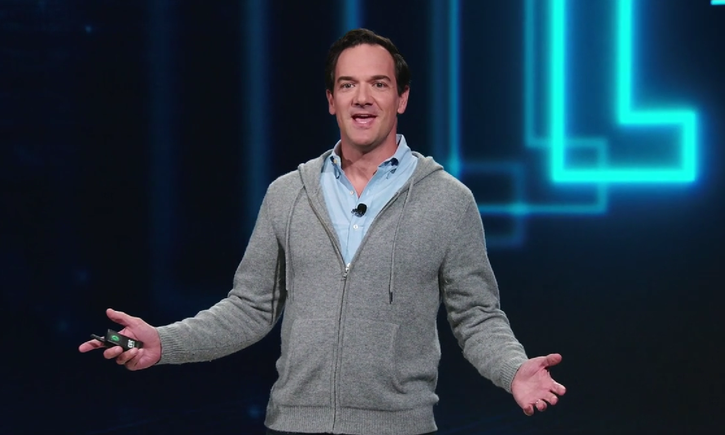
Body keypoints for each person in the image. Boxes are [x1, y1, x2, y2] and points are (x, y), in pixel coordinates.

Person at [79, 28, 566, 435]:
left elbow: (476, 315)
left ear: (402, 97)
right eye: (347, 84)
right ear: (332, 100)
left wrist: (513, 369)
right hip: (293, 424)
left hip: (399, 427)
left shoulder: (448, 201)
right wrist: (165, 343)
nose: (362, 97)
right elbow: (250, 308)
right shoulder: (288, 194)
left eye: (378, 84)